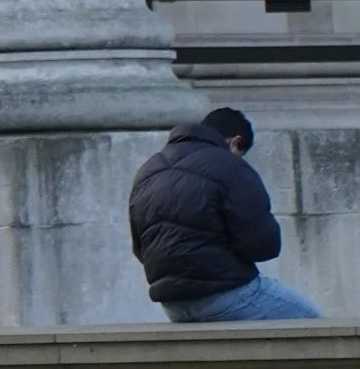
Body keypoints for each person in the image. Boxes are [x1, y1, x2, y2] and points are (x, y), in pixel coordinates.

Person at [127, 107, 323, 326]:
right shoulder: (231, 166)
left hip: (173, 305)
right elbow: (264, 245)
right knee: (316, 324)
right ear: (235, 142)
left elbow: (140, 248)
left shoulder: (148, 170)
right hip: (224, 296)